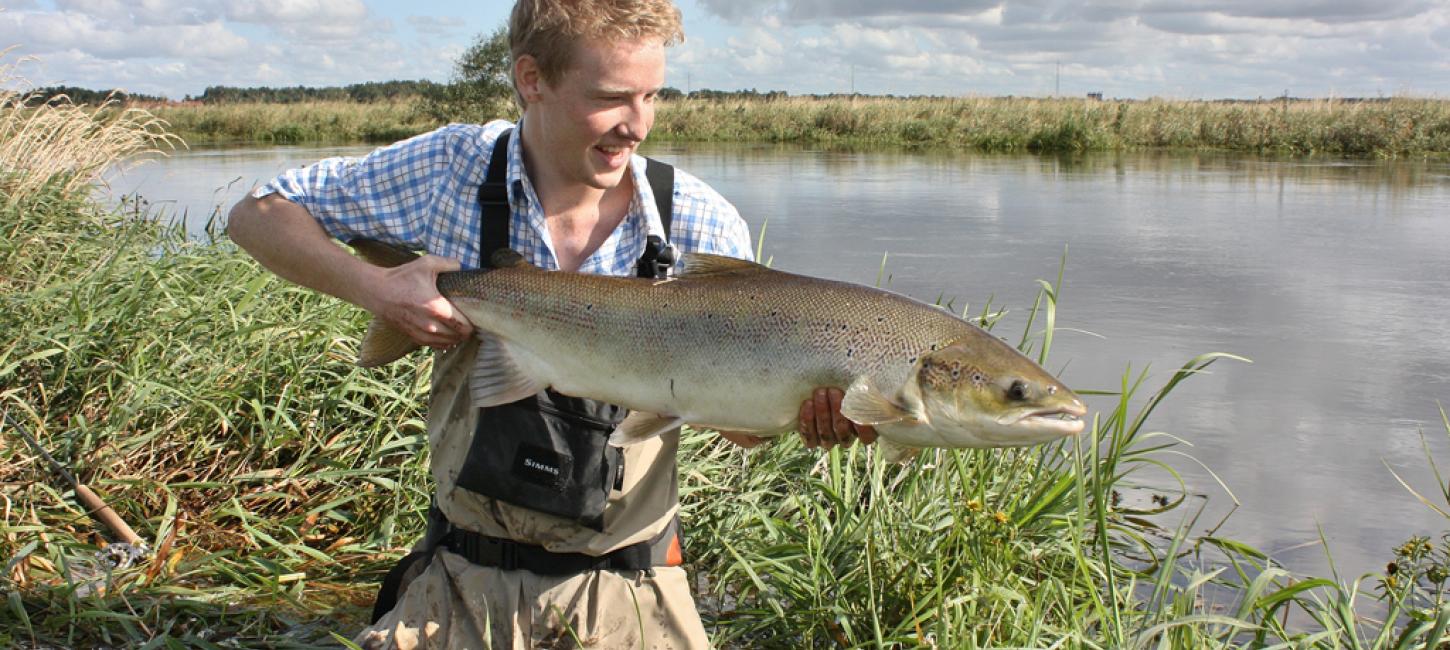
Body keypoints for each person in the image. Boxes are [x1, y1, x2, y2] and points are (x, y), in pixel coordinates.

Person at [226, 0, 874, 647]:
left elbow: (735, 428)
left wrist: (799, 412)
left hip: (631, 589)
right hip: (458, 583)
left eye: (652, 96)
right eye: (612, 97)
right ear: (532, 79)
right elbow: (257, 214)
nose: (637, 125)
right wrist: (379, 289)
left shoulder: (698, 224)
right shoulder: (453, 170)